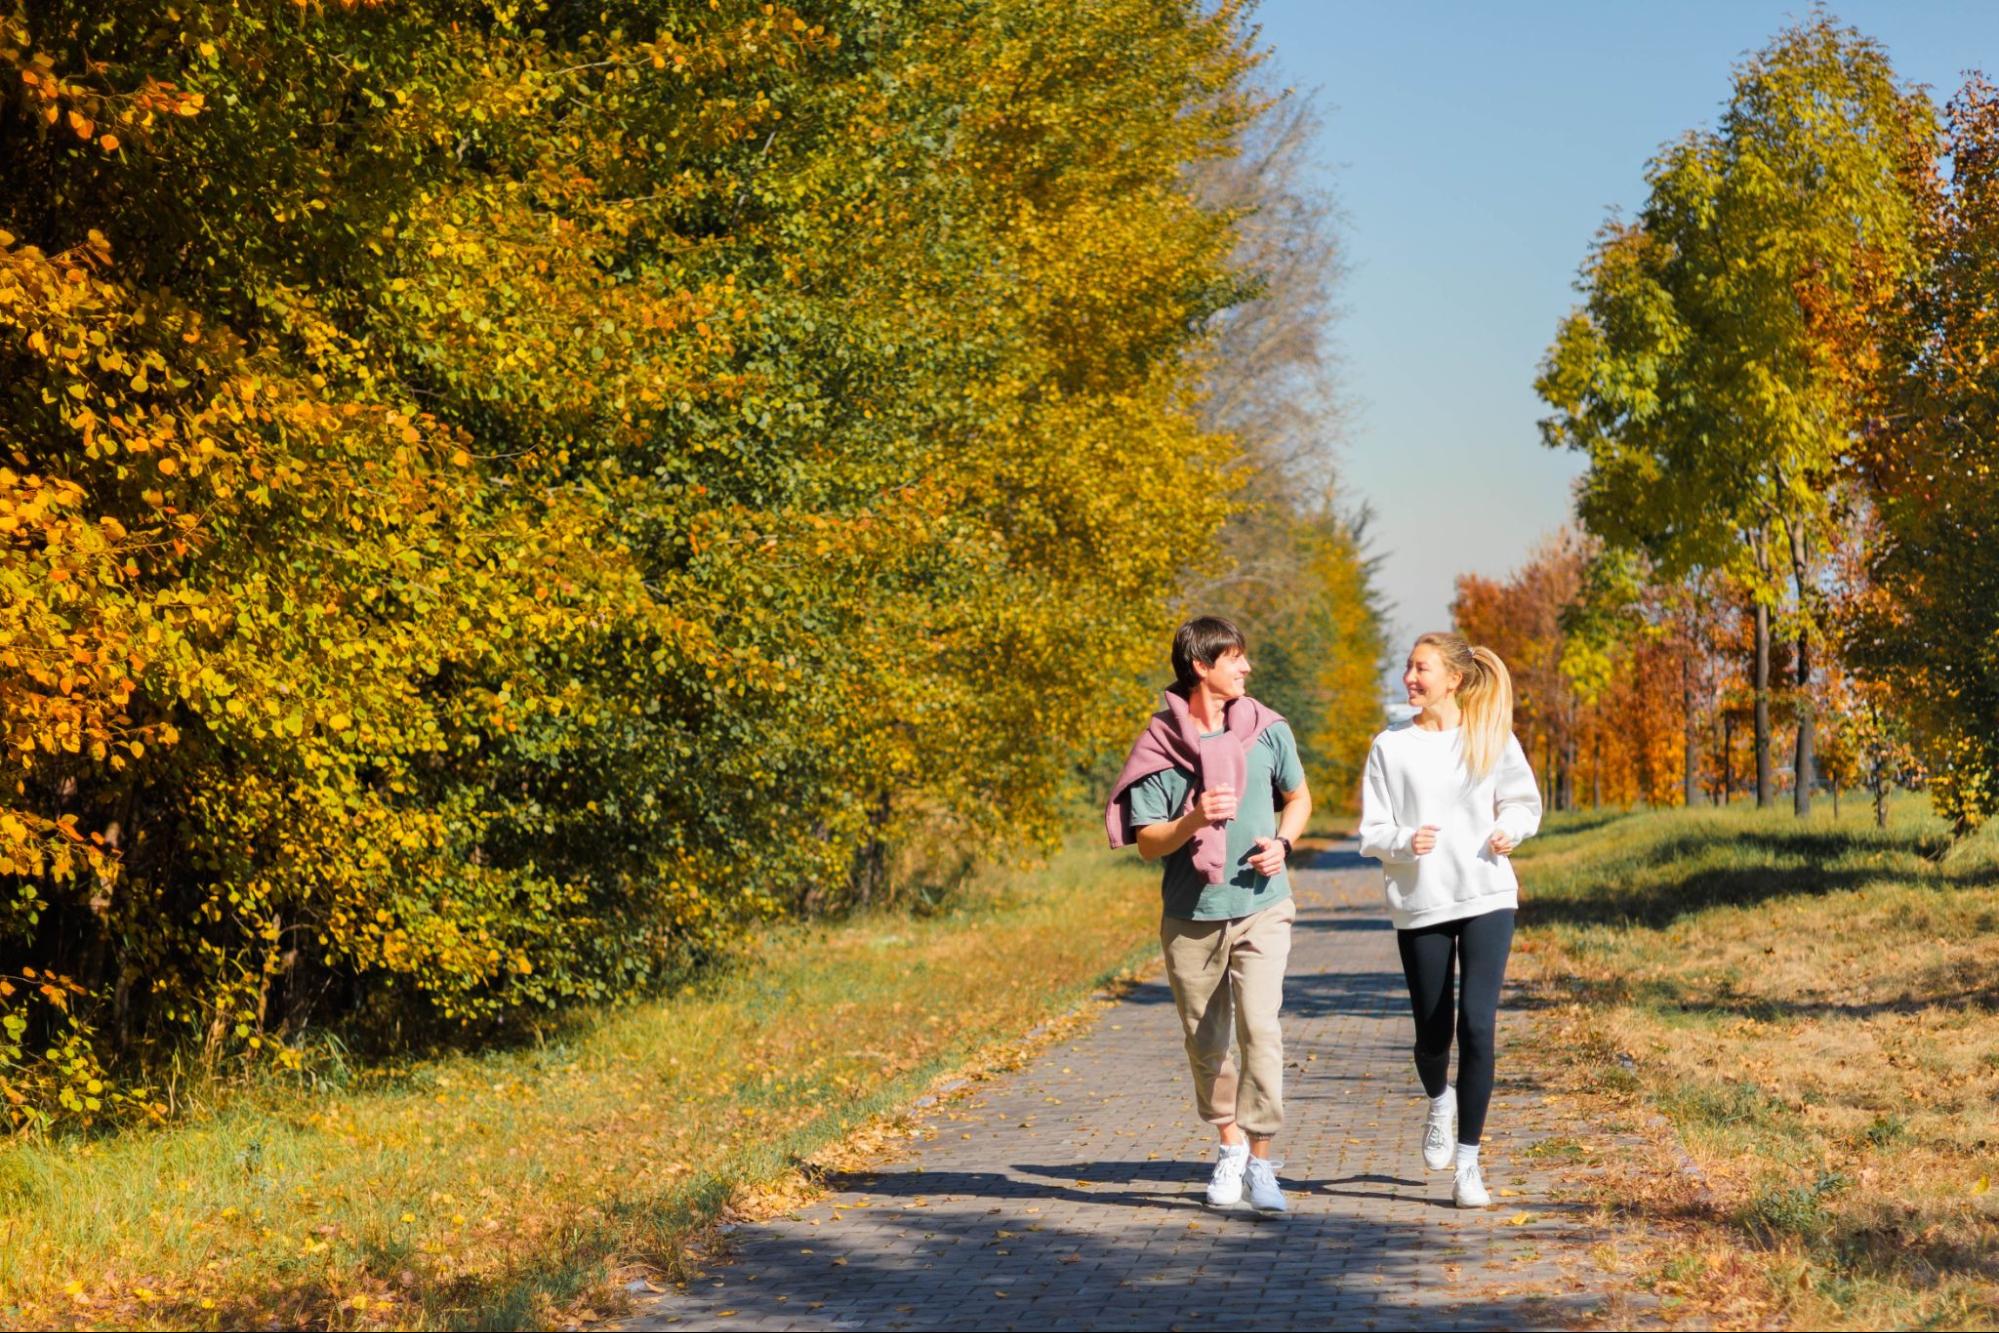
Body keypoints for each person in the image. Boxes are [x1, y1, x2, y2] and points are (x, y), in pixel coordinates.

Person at [1106, 616, 1312, 1212]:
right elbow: (1148, 842)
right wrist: (1194, 819)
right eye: (1234, 658)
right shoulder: (1159, 745)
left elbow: (1298, 798)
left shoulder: (1268, 729)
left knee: (1261, 1029)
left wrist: (1284, 843)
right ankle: (1230, 1147)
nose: (1247, 667)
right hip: (1191, 915)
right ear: (1201, 666)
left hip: (1262, 905)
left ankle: (1263, 1162)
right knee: (1207, 1042)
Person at [1358, 632, 1541, 1209]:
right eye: (1409, 668)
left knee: (1478, 1026)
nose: (1410, 678)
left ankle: (1469, 1165)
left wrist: (1510, 829)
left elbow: (1524, 802)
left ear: (1454, 680)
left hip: (1487, 893)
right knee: (1433, 1033)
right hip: (1423, 902)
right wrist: (1404, 841)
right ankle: (1440, 1100)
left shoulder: (1489, 735)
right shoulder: (1390, 746)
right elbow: (1372, 831)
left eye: (1422, 669)